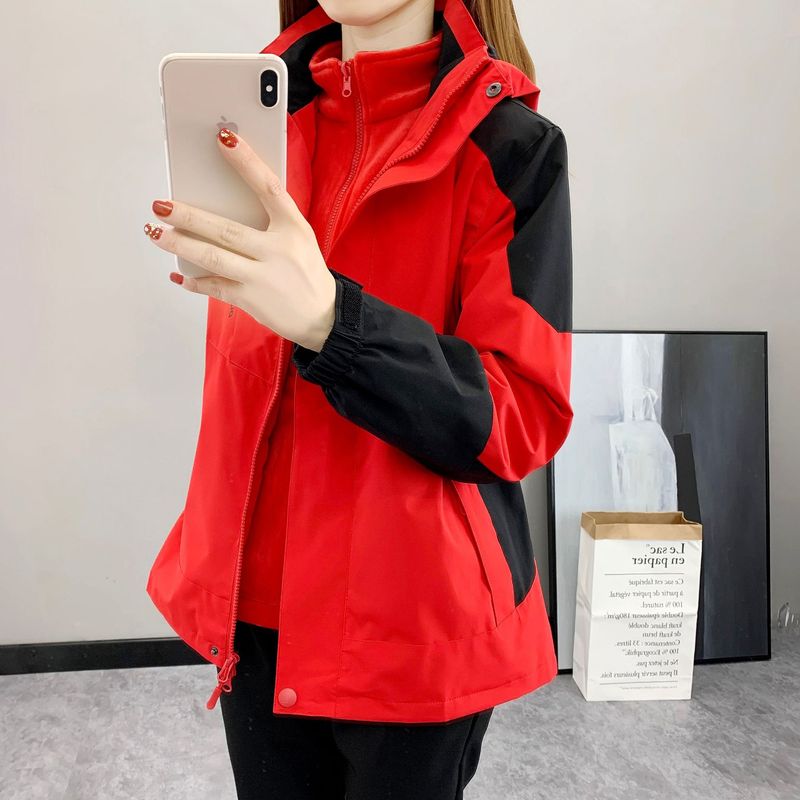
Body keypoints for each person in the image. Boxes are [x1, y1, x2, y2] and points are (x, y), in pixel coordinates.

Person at [144, 0, 573, 797]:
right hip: (255, 606)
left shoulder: (511, 148)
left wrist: (334, 324)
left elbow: (522, 414)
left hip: (414, 621)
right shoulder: (263, 123)